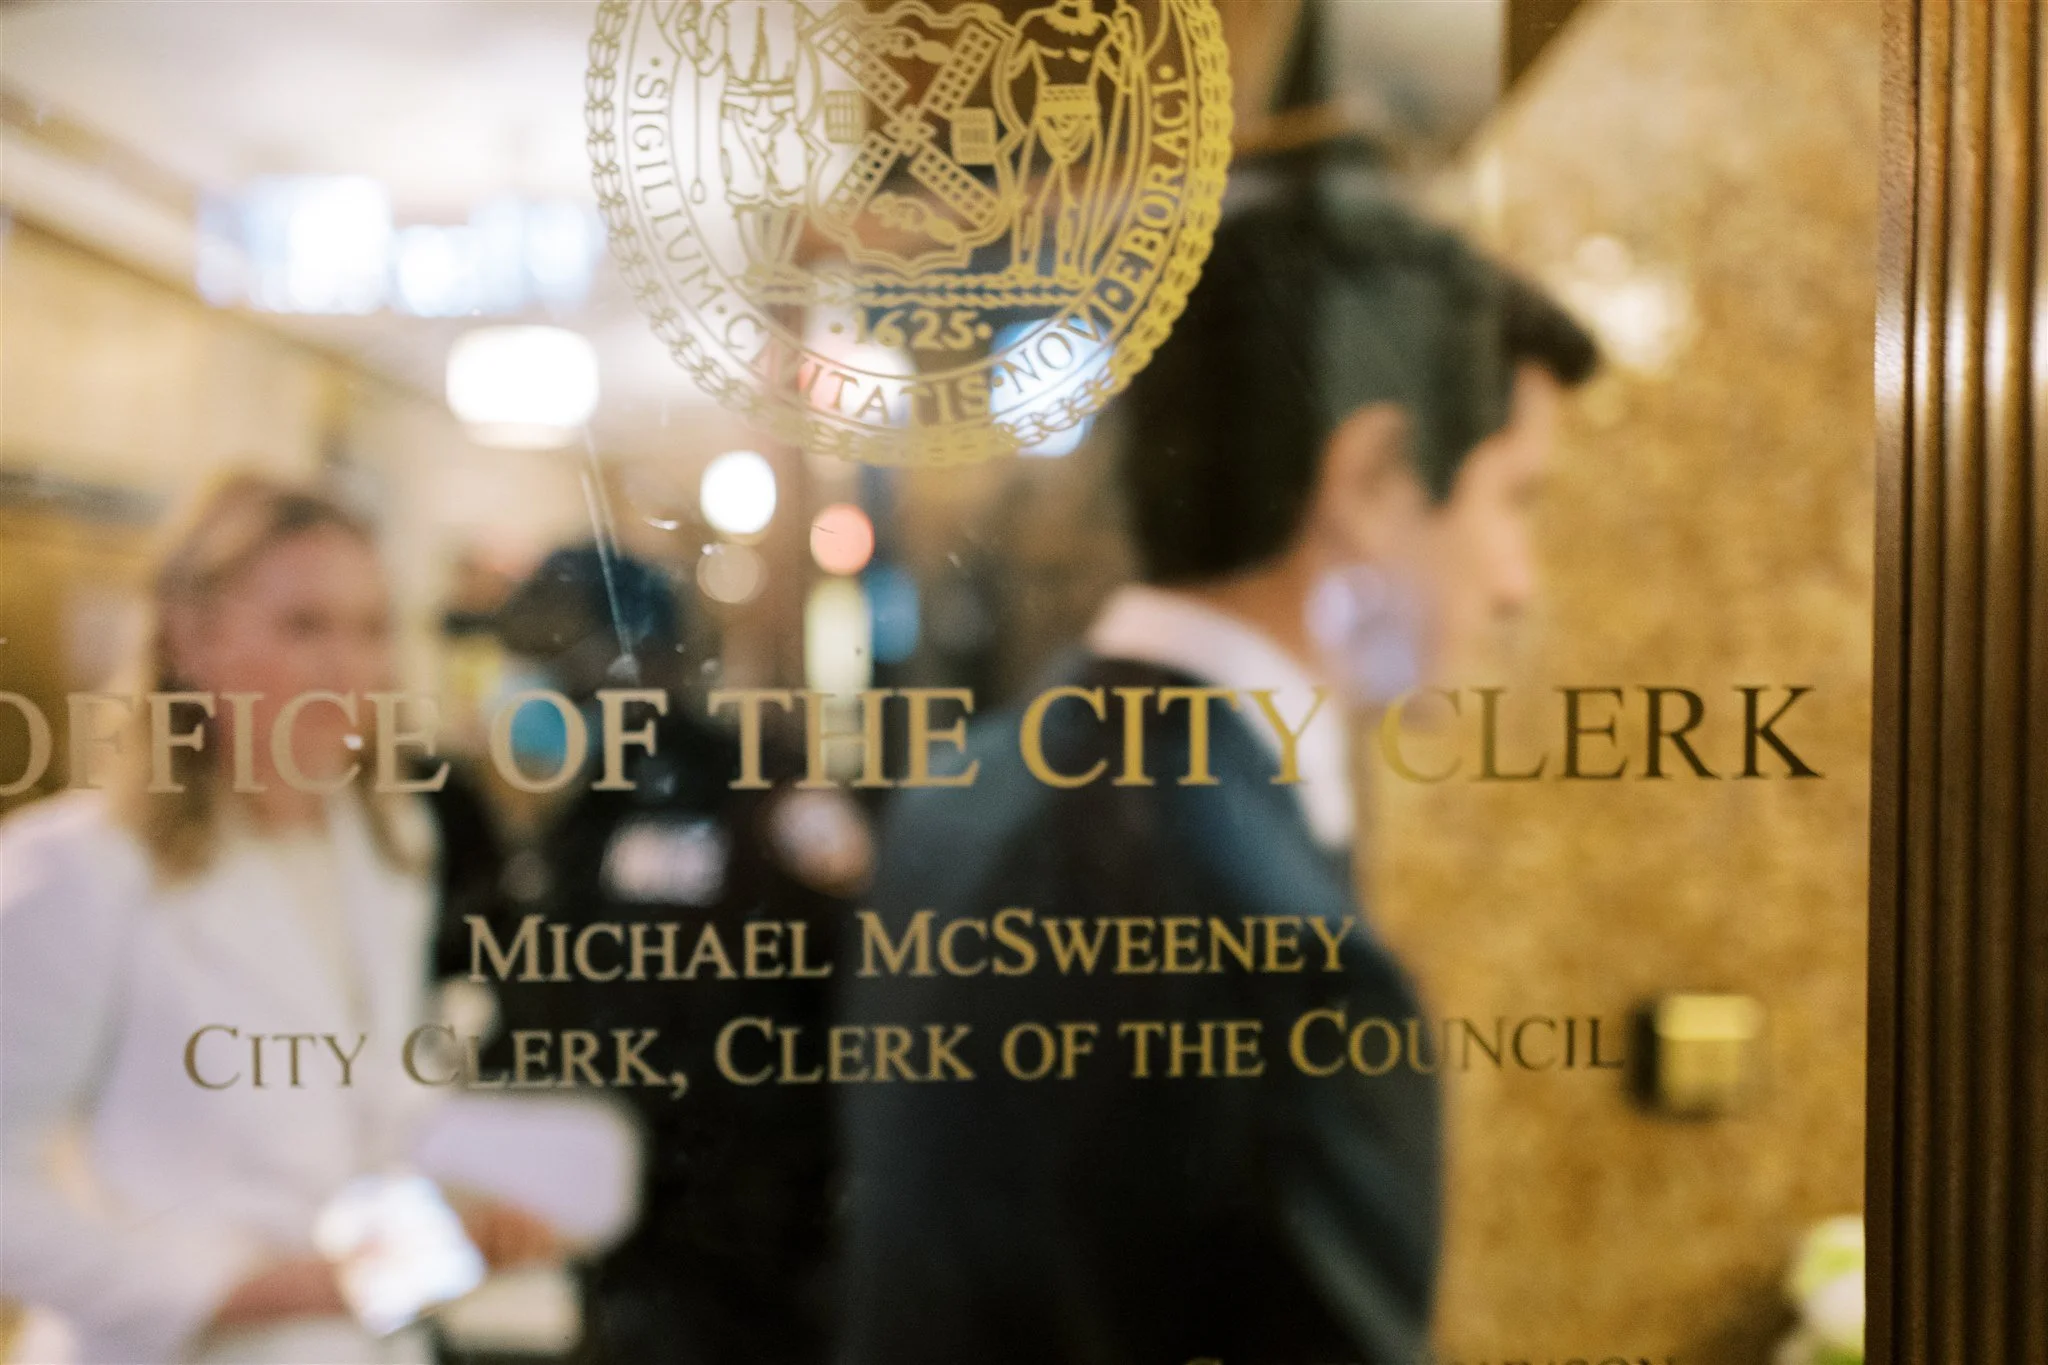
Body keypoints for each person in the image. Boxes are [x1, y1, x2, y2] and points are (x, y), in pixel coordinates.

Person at [836, 167, 1598, 1365]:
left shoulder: (968, 790)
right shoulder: (1291, 960)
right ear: (1370, 481)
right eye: (1514, 501)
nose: (1518, 578)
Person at [0, 475, 556, 1365]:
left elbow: (357, 1134)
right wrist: (236, 1291)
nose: (348, 669)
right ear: (190, 637)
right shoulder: (81, 867)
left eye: (371, 629)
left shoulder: (387, 844)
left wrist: (465, 1218)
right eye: (304, 626)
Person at [471, 545, 870, 1365]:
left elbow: (854, 992)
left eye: (550, 662)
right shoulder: (579, 816)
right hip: (621, 1246)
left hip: (759, 1259)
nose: (527, 687)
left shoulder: (757, 791)